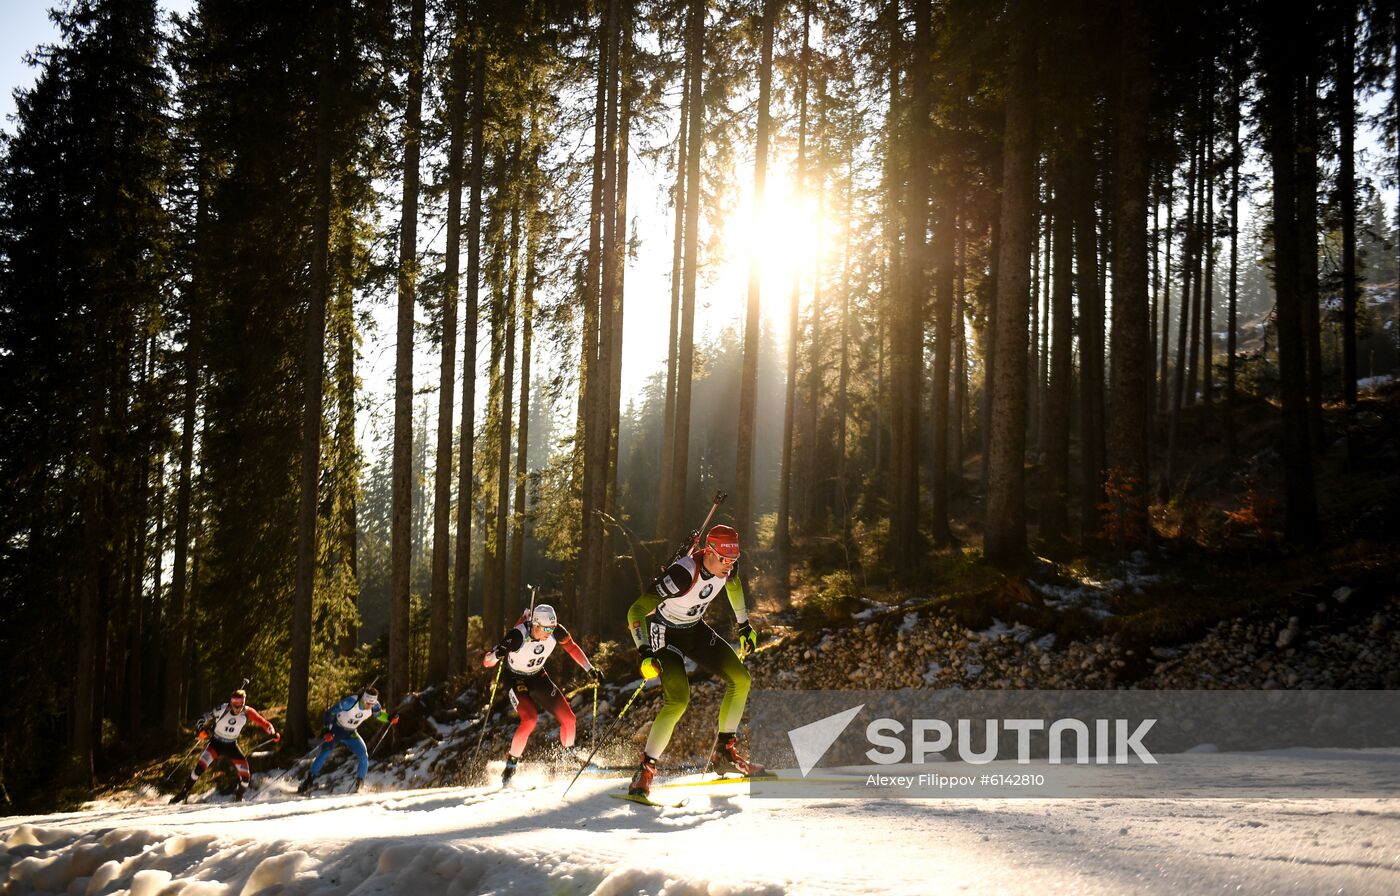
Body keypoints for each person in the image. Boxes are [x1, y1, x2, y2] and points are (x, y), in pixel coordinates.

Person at [624, 523, 764, 799]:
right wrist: (644, 651)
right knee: (678, 700)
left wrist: (744, 626)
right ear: (709, 551)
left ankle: (725, 754)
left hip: (695, 629)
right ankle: (645, 770)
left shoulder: (728, 567)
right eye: (724, 559)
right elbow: (636, 610)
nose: (729, 566)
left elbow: (733, 587)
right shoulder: (683, 574)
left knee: (741, 679)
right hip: (665, 633)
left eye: (734, 560)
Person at [483, 604, 602, 787]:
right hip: (515, 679)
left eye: (552, 628)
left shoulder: (556, 631)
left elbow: (572, 647)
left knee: (569, 719)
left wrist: (590, 669)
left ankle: (568, 755)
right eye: (546, 628)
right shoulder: (517, 636)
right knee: (530, 719)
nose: (550, 632)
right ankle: (511, 766)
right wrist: (496, 654)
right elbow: (487, 662)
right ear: (535, 625)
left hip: (537, 676)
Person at [171, 688, 278, 803]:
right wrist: (201, 730)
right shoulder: (222, 709)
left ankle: (238, 798)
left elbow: (264, 723)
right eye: (234, 705)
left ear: (244, 703)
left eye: (240, 706)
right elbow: (202, 719)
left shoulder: (248, 712)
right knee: (199, 769)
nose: (237, 709)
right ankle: (182, 794)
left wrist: (272, 733)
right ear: (231, 703)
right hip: (216, 744)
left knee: (246, 777)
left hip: (231, 746)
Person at [297, 687, 398, 795]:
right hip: (336, 729)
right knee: (325, 752)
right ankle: (308, 781)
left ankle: (360, 786)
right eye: (367, 703)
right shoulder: (350, 702)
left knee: (364, 756)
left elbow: (378, 715)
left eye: (372, 704)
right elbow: (329, 713)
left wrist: (389, 718)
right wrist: (327, 730)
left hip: (351, 733)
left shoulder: (375, 705)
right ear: (363, 699)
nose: (369, 706)